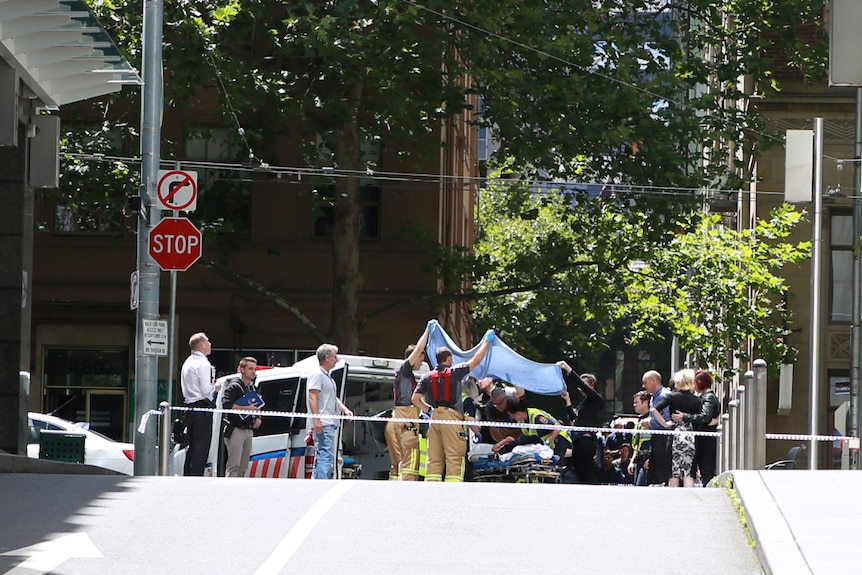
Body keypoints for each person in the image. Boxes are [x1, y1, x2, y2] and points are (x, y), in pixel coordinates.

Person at [411, 330, 493, 482]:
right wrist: (486, 342)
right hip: (452, 418)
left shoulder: (427, 377)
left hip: (435, 419)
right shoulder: (455, 372)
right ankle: (453, 492)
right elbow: (477, 359)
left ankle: (432, 490)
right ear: (449, 359)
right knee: (454, 457)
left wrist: (429, 409)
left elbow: (415, 399)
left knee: (434, 459)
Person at [388, 326, 430, 480]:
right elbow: (419, 348)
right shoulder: (404, 370)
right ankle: (407, 489)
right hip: (406, 417)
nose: (421, 361)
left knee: (408, 457)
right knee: (410, 458)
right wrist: (427, 332)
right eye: (421, 358)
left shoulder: (407, 375)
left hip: (407, 417)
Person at [307, 343, 354, 479]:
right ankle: (322, 483)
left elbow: (333, 398)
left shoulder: (328, 377)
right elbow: (312, 396)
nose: (337, 359)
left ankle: (318, 482)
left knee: (324, 455)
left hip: (328, 422)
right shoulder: (317, 374)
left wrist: (345, 410)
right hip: (324, 422)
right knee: (325, 455)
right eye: (335, 356)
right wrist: (317, 419)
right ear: (327, 358)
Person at [650, 368, 703, 487]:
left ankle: (673, 497)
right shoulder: (696, 400)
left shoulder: (671, 397)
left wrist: (665, 423)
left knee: (674, 471)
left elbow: (654, 409)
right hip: (690, 437)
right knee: (689, 471)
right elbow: (700, 418)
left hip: (675, 435)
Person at [672, 369, 720, 486]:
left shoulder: (708, 398)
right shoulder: (706, 397)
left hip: (705, 440)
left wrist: (685, 417)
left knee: (706, 469)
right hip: (702, 438)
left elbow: (705, 417)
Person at [180, 332, 219, 476]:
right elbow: (205, 389)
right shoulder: (203, 363)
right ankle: (196, 476)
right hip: (202, 408)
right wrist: (216, 387)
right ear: (202, 345)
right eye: (208, 341)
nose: (210, 344)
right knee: (201, 447)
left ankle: (188, 474)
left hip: (189, 407)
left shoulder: (188, 362)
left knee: (191, 445)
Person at [559, 362, 604, 485]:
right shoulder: (584, 404)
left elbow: (580, 384)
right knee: (579, 472)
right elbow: (573, 418)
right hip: (577, 441)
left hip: (586, 441)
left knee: (587, 472)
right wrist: (567, 400)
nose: (580, 388)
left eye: (584, 384)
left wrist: (568, 369)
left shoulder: (596, 399)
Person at [221, 356, 263, 477]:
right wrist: (247, 408)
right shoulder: (233, 386)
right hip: (236, 429)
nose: (253, 371)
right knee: (234, 465)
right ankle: (229, 491)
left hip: (249, 429)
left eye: (255, 369)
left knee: (244, 465)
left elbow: (258, 406)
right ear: (242, 369)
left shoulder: (253, 387)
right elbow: (227, 405)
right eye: (250, 368)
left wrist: (258, 417)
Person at [501, 399, 572, 460]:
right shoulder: (522, 420)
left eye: (513, 416)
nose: (513, 418)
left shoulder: (537, 417)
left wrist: (546, 442)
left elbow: (557, 428)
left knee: (557, 464)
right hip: (549, 444)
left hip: (560, 438)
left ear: (518, 413)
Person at [641, 370, 672, 485]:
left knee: (661, 469)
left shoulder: (664, 396)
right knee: (653, 470)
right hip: (656, 437)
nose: (644, 386)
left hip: (663, 437)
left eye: (645, 383)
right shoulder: (654, 396)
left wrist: (649, 423)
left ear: (654, 381)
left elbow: (666, 418)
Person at [628, 390, 652, 486]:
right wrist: (632, 461)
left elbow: (656, 440)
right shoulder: (640, 419)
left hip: (648, 459)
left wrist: (651, 459)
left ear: (645, 402)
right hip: (639, 460)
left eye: (636, 402)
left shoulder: (652, 420)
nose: (634, 405)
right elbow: (637, 443)